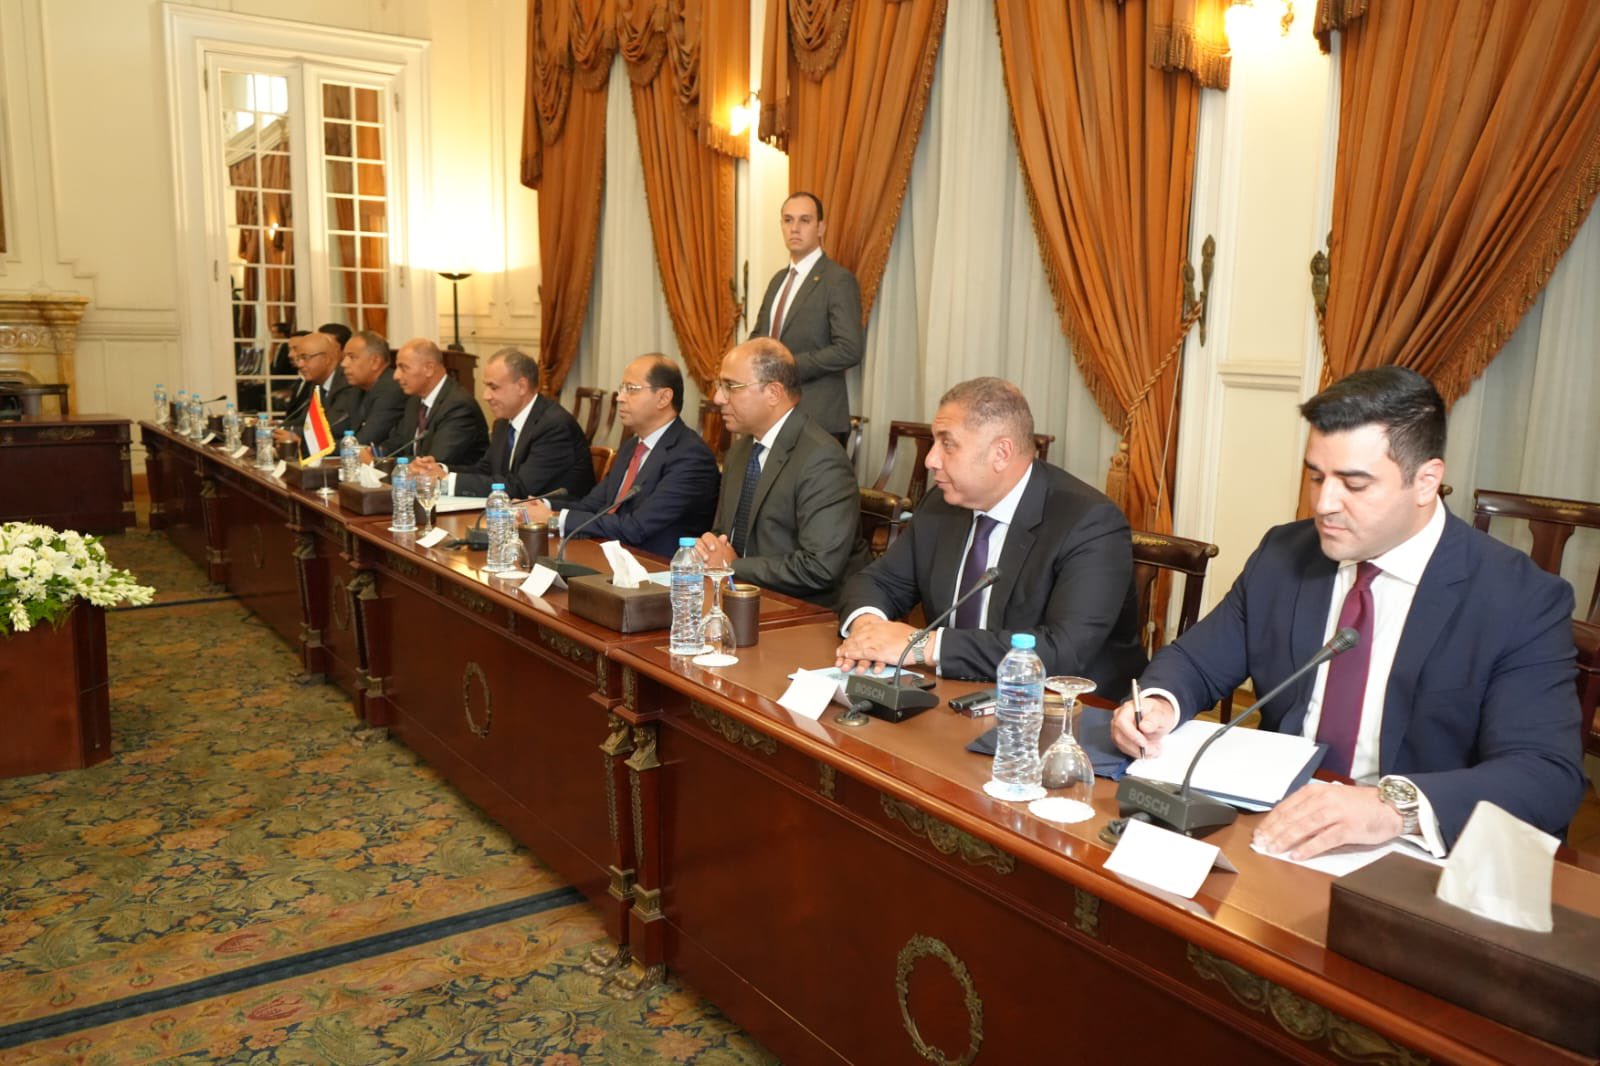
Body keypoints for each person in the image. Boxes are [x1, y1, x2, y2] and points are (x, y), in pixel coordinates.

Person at [1111, 366, 1585, 857]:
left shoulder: (1518, 598)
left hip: (1410, 850)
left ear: (1426, 481)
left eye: (1354, 484)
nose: (1323, 504)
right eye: (1316, 477)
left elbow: (1545, 774)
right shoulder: (1284, 554)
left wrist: (1393, 809)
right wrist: (1159, 704)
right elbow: (1196, 661)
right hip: (1273, 823)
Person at [835, 377, 1146, 690]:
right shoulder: (941, 504)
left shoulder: (1089, 522)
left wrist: (924, 646)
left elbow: (1063, 650)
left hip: (1065, 704)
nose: (930, 460)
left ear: (1001, 453)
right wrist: (868, 629)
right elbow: (877, 582)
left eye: (947, 444)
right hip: (955, 692)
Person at [695, 338, 868, 609]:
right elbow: (725, 532)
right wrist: (711, 546)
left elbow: (819, 567)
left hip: (806, 610)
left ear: (774, 393)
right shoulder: (740, 451)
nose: (718, 398)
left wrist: (733, 566)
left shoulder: (821, 458)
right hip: (742, 597)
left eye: (731, 386)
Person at [518, 354, 719, 557]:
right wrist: (543, 506)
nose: (620, 397)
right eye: (622, 388)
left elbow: (636, 527)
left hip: (658, 566)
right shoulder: (632, 446)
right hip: (613, 554)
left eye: (631, 389)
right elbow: (591, 506)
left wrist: (553, 518)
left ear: (663, 398)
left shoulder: (691, 456)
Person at [748, 192, 863, 444]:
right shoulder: (778, 280)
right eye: (788, 220)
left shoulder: (837, 279)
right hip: (771, 415)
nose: (795, 228)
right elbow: (760, 337)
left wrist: (787, 366)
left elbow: (849, 349)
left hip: (817, 418)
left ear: (821, 227)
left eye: (805, 220)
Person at [411, 347, 591, 499]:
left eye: (494, 387)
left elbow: (521, 488)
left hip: (556, 523)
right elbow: (486, 470)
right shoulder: (504, 422)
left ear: (521, 386)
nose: (486, 396)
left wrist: (446, 481)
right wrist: (439, 470)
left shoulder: (554, 426)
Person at [371, 338, 488, 468]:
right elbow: (396, 443)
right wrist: (373, 454)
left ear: (429, 369)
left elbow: (434, 461)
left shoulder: (458, 406)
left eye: (403, 368)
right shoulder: (415, 400)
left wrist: (382, 461)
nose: (396, 376)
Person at [275, 329, 360, 448]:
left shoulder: (345, 383)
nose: (300, 364)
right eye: (298, 359)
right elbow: (305, 420)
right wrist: (275, 428)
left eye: (305, 358)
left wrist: (292, 433)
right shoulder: (317, 383)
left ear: (326, 359)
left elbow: (332, 428)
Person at [340, 331, 406, 447]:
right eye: (344, 357)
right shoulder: (357, 389)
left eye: (352, 357)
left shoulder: (391, 390)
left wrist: (320, 447)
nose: (344, 364)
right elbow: (338, 428)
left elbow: (363, 442)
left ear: (375, 361)